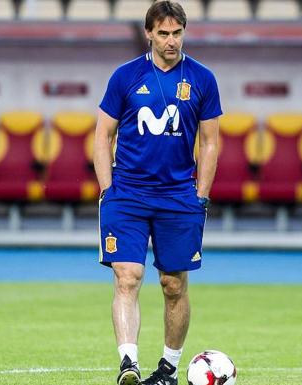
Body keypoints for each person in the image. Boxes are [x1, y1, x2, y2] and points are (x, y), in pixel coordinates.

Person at [93, 1, 221, 385]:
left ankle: (168, 369)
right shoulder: (124, 76)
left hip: (179, 198)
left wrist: (201, 196)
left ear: (184, 32)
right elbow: (103, 135)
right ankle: (128, 364)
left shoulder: (202, 78)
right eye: (163, 33)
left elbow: (211, 143)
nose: (171, 41)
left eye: (177, 33)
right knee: (128, 276)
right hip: (128, 195)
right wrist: (107, 191)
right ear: (148, 32)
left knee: (173, 284)